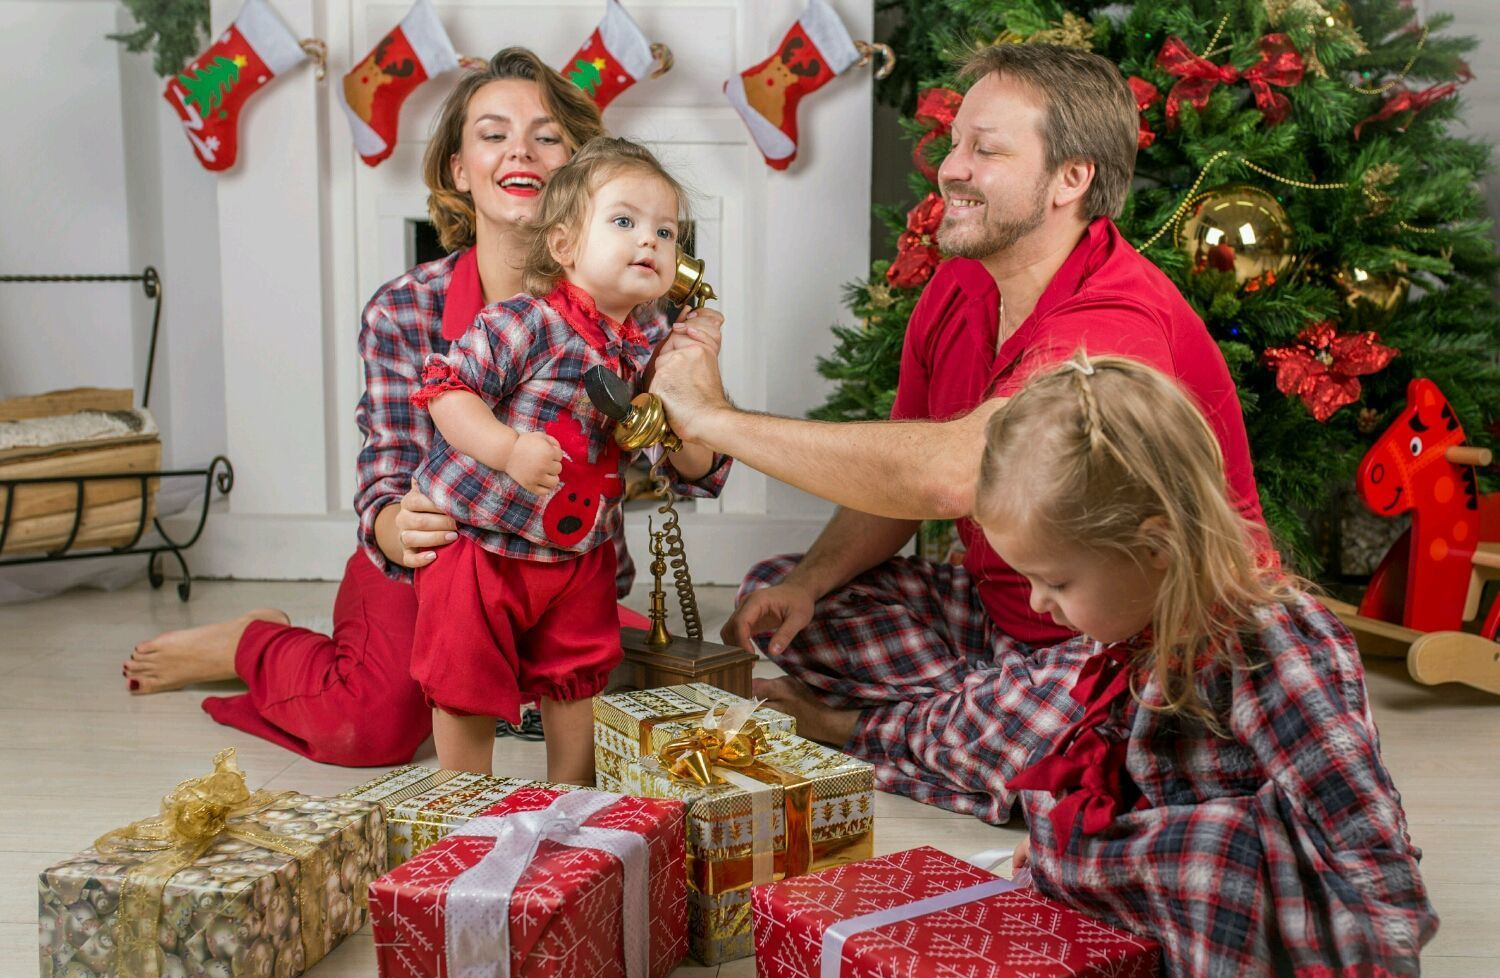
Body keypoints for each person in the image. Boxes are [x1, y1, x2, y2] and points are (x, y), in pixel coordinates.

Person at [646, 42, 1267, 821]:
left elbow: (951, 475)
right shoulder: (959, 285)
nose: (951, 168)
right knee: (781, 602)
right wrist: (807, 584)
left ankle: (857, 730)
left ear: (1071, 179)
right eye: (955, 143)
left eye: (988, 150)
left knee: (1091, 729)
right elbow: (896, 490)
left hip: (1136, 644)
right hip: (1004, 614)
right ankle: (980, 730)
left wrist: (713, 421)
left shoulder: (1111, 319)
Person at [121, 49, 723, 767]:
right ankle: (255, 640)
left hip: (561, 563)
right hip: (438, 558)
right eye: (493, 134)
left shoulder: (640, 314)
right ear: (458, 171)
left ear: (582, 171)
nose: (521, 151)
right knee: (370, 729)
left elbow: (695, 472)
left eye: (548, 135)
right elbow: (385, 477)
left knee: (612, 691)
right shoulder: (406, 308)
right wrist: (393, 524)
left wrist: (699, 398)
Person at [976, 354, 1437, 978]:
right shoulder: (1149, 624)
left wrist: (1373, 966)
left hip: (1257, 895)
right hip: (1180, 859)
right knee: (1046, 799)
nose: (1035, 604)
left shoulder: (1266, 643)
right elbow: (1131, 766)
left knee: (1210, 855)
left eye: (1055, 581)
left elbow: (1361, 826)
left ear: (1157, 549)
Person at [409, 137, 723, 781]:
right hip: (481, 542)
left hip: (579, 550)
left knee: (579, 681)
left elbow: (691, 461)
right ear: (564, 246)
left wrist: (698, 374)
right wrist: (508, 447)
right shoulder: (525, 322)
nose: (651, 242)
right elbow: (446, 392)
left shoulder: (651, 346)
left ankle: (569, 801)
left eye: (667, 231)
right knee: (464, 679)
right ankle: (462, 800)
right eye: (625, 221)